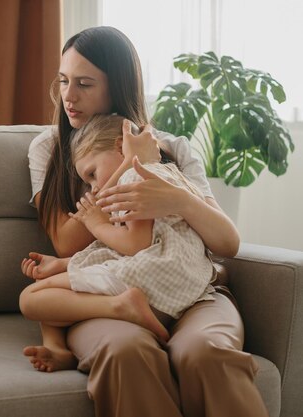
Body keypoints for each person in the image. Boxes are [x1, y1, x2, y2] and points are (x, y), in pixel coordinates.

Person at [23, 26, 269, 417]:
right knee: (126, 352)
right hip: (111, 296)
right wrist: (122, 170)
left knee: (207, 352)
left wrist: (175, 197)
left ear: (117, 86)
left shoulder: (172, 148)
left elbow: (227, 243)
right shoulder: (50, 149)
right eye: (64, 81)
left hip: (189, 291)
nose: (69, 97)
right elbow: (67, 244)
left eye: (84, 84)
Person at [20, 113, 216, 369]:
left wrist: (96, 224)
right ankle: (59, 348)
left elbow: (135, 244)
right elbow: (119, 249)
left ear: (118, 146)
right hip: (171, 274)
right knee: (52, 286)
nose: (92, 188)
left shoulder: (134, 179)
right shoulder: (163, 173)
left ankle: (120, 307)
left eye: (92, 174)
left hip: (155, 276)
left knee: (32, 297)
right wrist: (62, 264)